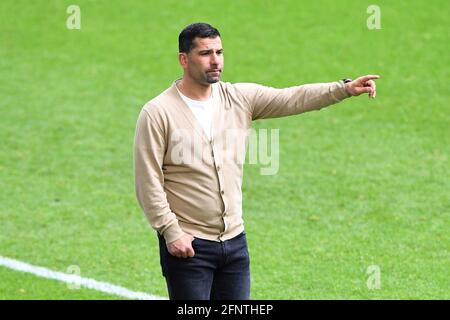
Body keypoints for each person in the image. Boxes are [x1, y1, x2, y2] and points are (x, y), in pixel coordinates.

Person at [134, 22, 379, 300]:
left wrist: (343, 88)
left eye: (219, 52)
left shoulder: (238, 98)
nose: (215, 61)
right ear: (183, 59)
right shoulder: (157, 113)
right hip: (189, 245)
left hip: (235, 245)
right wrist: (171, 232)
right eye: (205, 53)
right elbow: (147, 180)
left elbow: (292, 98)